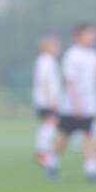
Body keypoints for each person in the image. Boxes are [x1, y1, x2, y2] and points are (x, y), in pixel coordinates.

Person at [47, 23, 96, 183]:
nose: (92, 38)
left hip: (90, 104)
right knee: (65, 136)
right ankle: (52, 163)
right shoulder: (72, 55)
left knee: (89, 135)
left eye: (93, 35)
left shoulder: (93, 54)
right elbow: (70, 82)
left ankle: (92, 170)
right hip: (72, 106)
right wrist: (77, 104)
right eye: (88, 35)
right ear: (78, 36)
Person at [32, 36, 62, 166]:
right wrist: (52, 99)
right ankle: (42, 152)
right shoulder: (46, 61)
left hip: (45, 99)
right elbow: (44, 82)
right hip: (46, 100)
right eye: (56, 46)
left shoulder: (47, 60)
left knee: (48, 125)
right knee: (51, 124)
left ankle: (43, 151)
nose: (58, 49)